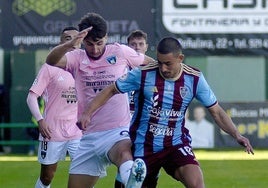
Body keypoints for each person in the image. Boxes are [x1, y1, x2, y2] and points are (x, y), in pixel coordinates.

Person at [79, 37, 254, 188]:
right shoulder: (143, 74)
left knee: (196, 183)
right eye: (160, 62)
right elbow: (111, 89)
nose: (162, 68)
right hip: (144, 145)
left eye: (168, 63)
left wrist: (236, 134)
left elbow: (216, 111)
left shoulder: (194, 78)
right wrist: (87, 113)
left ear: (180, 58)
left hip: (175, 144)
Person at [45, 12, 154, 188]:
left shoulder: (120, 52)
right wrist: (69, 45)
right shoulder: (76, 57)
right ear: (82, 41)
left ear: (106, 38)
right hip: (87, 137)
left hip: (117, 129)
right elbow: (51, 61)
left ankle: (132, 179)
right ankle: (130, 177)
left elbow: (151, 65)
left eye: (99, 43)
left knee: (123, 152)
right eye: (89, 44)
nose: (95, 49)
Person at [26, 26, 83, 188]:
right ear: (60, 42)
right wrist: (40, 120)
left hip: (78, 131)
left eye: (76, 38)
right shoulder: (50, 67)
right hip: (52, 131)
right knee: (47, 177)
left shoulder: (85, 66)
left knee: (85, 173)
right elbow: (31, 97)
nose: (72, 42)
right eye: (67, 39)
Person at [114, 29, 156, 188]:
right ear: (127, 47)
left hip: (146, 124)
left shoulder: (153, 73)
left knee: (149, 164)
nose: (137, 47)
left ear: (146, 47)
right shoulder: (120, 70)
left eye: (140, 44)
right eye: (133, 44)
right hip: (123, 123)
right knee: (125, 161)